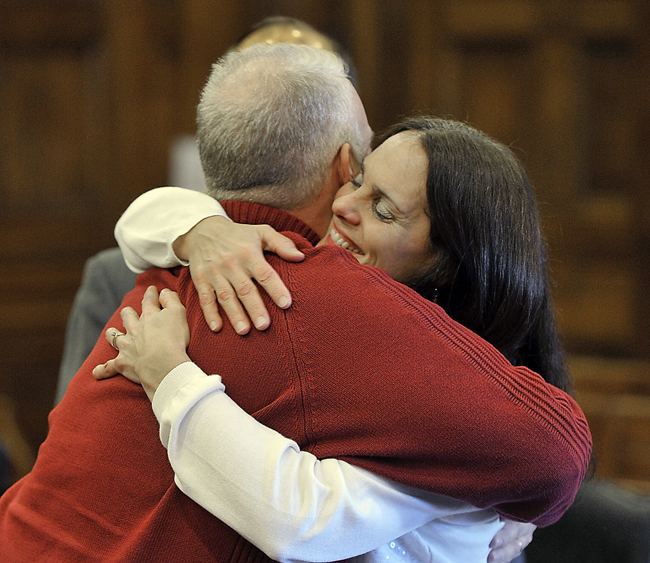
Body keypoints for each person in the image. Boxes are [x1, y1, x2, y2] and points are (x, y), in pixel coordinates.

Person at [0, 44, 589, 563]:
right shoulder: (223, 262)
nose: (344, 206)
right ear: (339, 167)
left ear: (455, 260)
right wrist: (197, 227)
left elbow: (301, 516)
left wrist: (172, 377)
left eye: (383, 207)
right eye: (358, 180)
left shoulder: (413, 376)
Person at [53, 16, 358, 406]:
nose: (279, 98)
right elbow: (78, 433)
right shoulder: (117, 275)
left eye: (307, 88)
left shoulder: (368, 262)